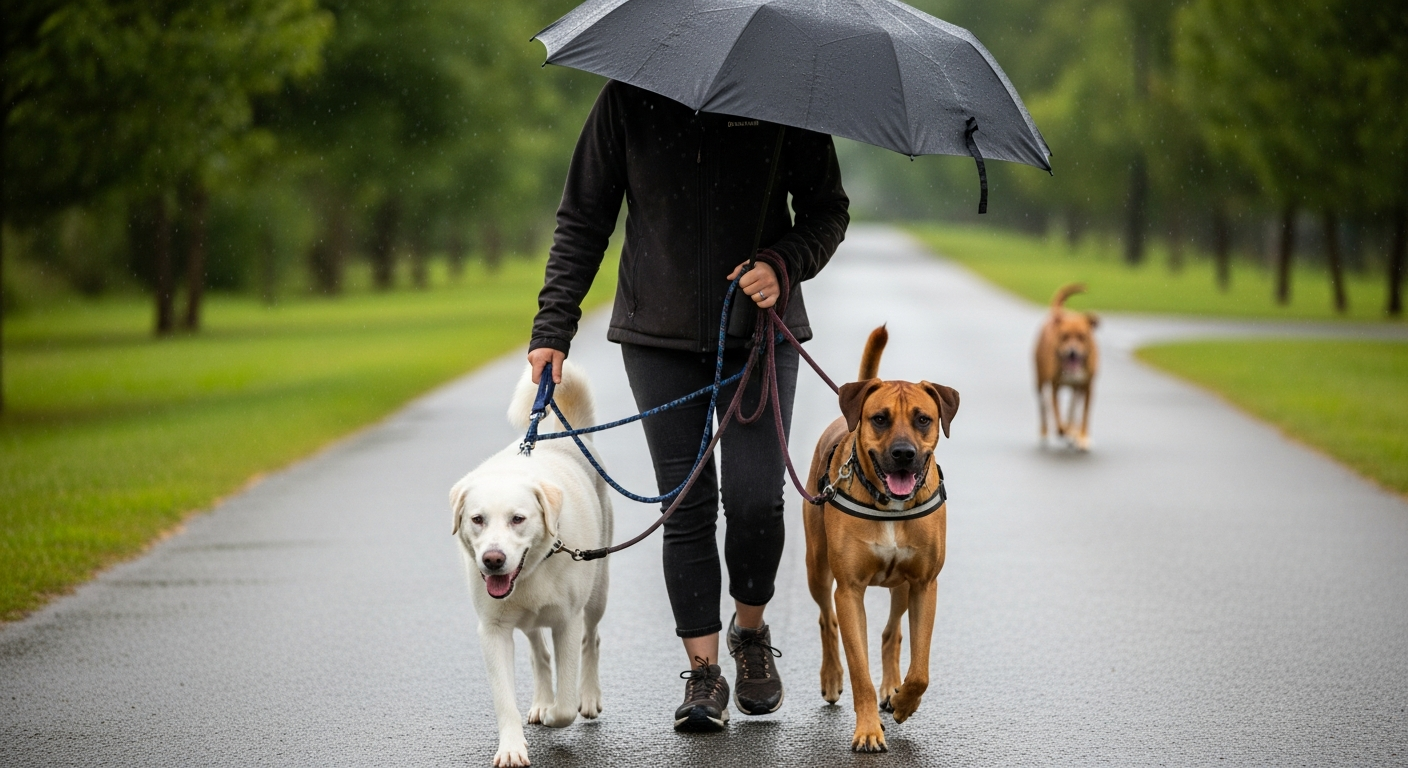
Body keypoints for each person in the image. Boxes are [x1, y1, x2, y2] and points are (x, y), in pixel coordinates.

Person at [527, 79, 848, 732]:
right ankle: (703, 676)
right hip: (657, 336)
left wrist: (783, 264)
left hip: (759, 330)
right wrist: (552, 326)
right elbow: (584, 217)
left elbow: (828, 211)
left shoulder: (783, 98)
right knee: (687, 500)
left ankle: (750, 634)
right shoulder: (628, 97)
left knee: (757, 498)